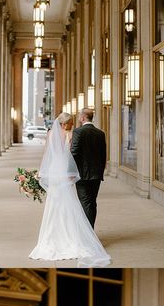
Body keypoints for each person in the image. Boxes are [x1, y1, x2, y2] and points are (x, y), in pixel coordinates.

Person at [28, 112, 110, 267]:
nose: (73, 124)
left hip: (54, 171)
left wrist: (41, 171)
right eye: (71, 122)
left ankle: (55, 237)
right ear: (64, 123)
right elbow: (71, 156)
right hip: (63, 171)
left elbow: (47, 154)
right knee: (69, 204)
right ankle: (76, 236)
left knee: (56, 204)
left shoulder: (52, 133)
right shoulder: (70, 134)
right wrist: (71, 174)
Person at [70, 108, 107, 228]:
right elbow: (103, 154)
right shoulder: (100, 133)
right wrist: (100, 171)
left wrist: (69, 171)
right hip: (96, 174)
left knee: (85, 203)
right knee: (92, 203)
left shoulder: (78, 132)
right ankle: (90, 231)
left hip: (81, 174)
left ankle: (88, 235)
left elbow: (74, 152)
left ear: (82, 118)